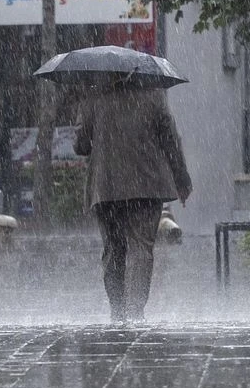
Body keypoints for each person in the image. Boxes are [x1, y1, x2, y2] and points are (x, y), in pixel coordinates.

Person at [74, 77, 192, 322]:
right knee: (141, 248)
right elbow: (171, 141)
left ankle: (117, 311)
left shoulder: (94, 96)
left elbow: (81, 146)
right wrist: (182, 180)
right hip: (146, 184)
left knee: (113, 249)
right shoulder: (154, 96)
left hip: (106, 187)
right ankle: (135, 311)